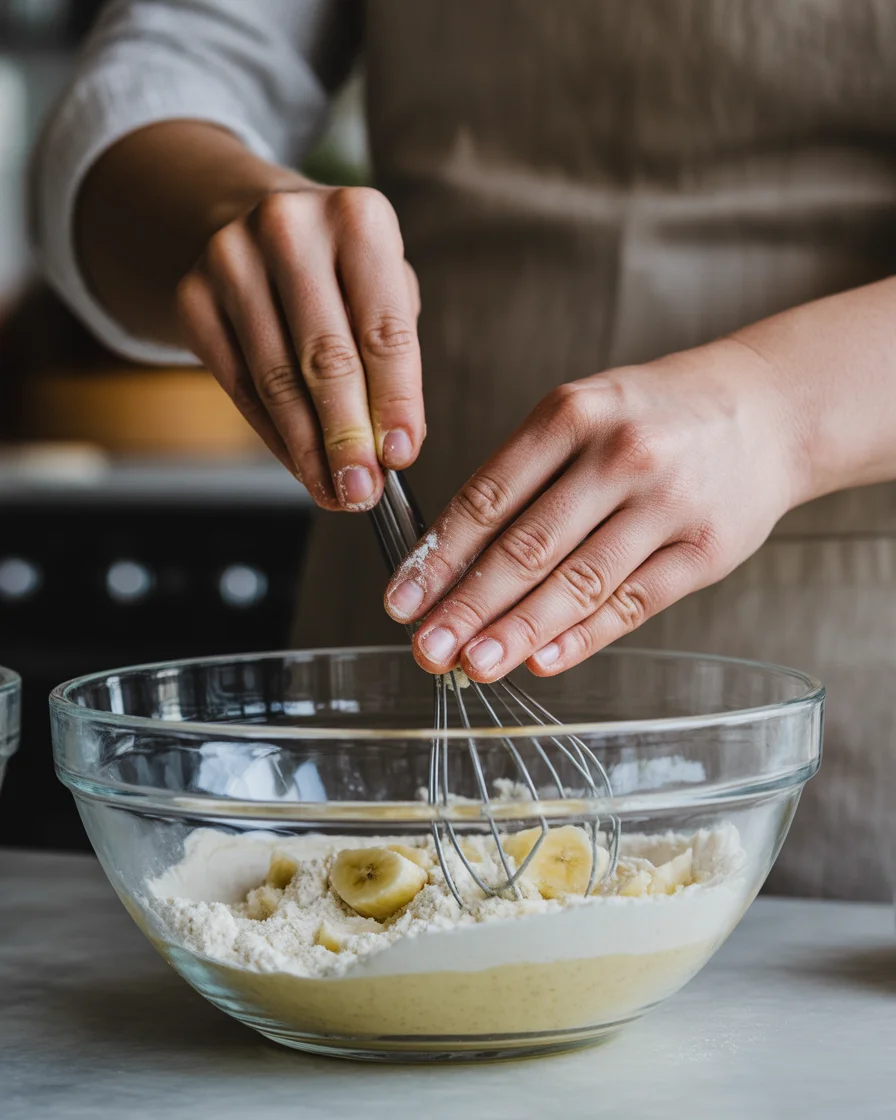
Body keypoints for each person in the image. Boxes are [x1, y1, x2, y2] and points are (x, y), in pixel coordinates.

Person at [32, 0, 896, 901]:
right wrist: (230, 218)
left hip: (851, 710)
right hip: (379, 701)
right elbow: (151, 84)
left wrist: (778, 407)